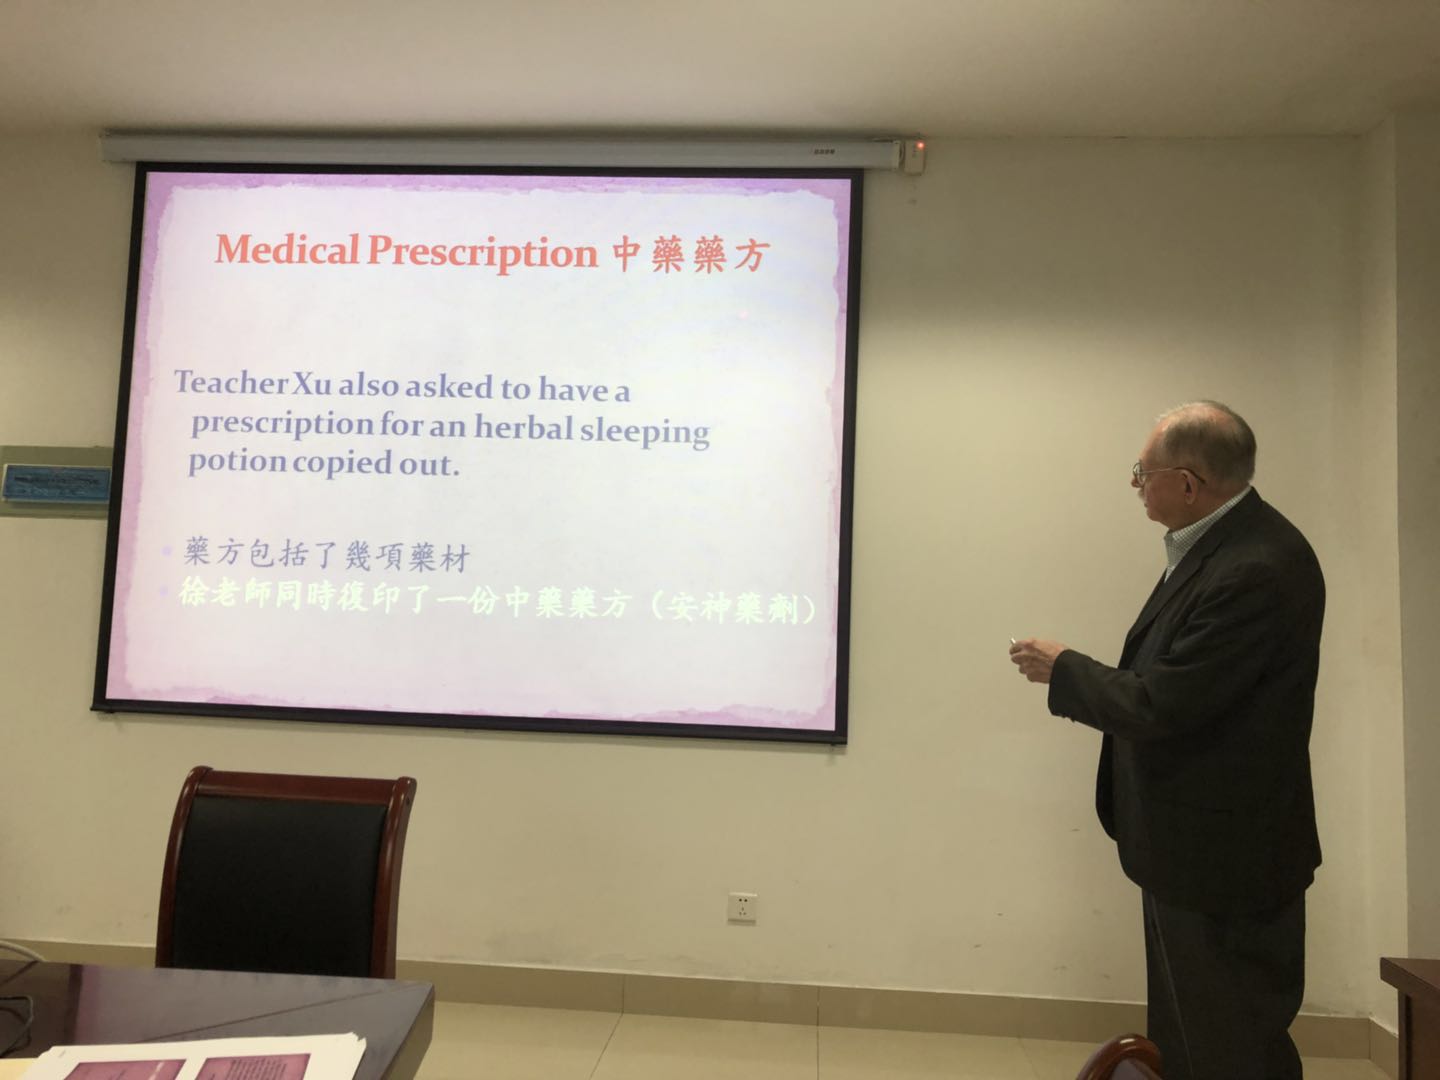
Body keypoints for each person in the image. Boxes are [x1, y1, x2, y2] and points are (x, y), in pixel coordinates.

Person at [1008, 401, 1324, 1080]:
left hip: (1224, 863)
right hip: (1190, 849)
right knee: (1189, 1040)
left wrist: (1064, 668)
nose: (1135, 485)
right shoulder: (1219, 547)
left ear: (1186, 483)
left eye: (1141, 472)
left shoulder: (1255, 567)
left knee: (1227, 1045)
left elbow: (1161, 703)